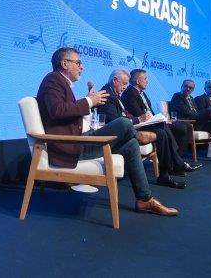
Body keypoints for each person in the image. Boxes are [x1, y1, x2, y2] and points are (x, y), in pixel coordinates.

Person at [36, 48, 178, 216]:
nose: (82, 67)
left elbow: (64, 111)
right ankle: (138, 135)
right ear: (64, 63)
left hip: (77, 140)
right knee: (124, 123)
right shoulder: (53, 80)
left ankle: (144, 200)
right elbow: (57, 111)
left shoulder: (60, 82)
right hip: (69, 146)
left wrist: (87, 101)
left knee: (131, 144)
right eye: (78, 63)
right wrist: (89, 101)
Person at [118, 69, 200, 185]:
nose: (147, 81)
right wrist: (158, 120)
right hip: (139, 125)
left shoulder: (141, 93)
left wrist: (159, 118)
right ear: (137, 81)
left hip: (150, 123)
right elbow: (139, 114)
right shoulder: (129, 93)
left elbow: (149, 112)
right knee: (167, 129)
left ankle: (174, 164)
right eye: (145, 79)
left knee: (180, 127)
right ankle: (176, 163)